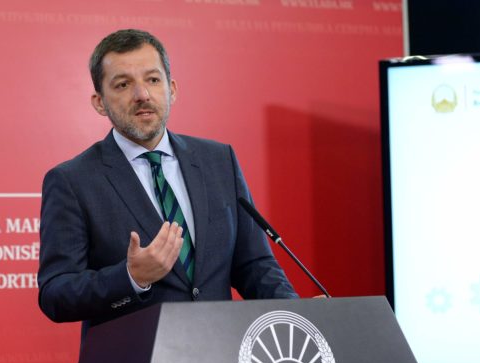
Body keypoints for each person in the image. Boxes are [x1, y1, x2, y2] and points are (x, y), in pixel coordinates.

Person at [38, 29, 297, 332]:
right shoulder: (72, 181)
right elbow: (55, 294)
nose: (142, 95)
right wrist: (131, 277)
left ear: (171, 89)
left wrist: (298, 315)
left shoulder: (218, 160)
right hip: (136, 358)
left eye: (152, 80)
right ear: (99, 102)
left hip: (221, 350)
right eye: (123, 84)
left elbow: (254, 265)